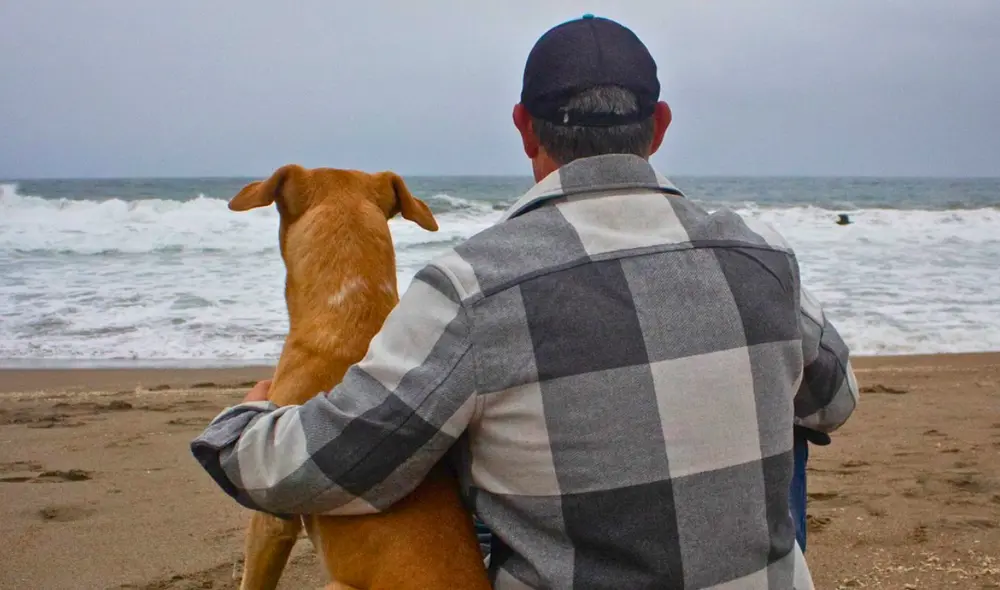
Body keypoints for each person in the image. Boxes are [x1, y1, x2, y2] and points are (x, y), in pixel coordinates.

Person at [191, 14, 859, 589]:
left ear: (524, 129)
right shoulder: (764, 256)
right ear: (657, 126)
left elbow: (330, 465)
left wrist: (242, 424)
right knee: (779, 407)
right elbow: (836, 401)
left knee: (454, 436)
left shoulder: (475, 287)